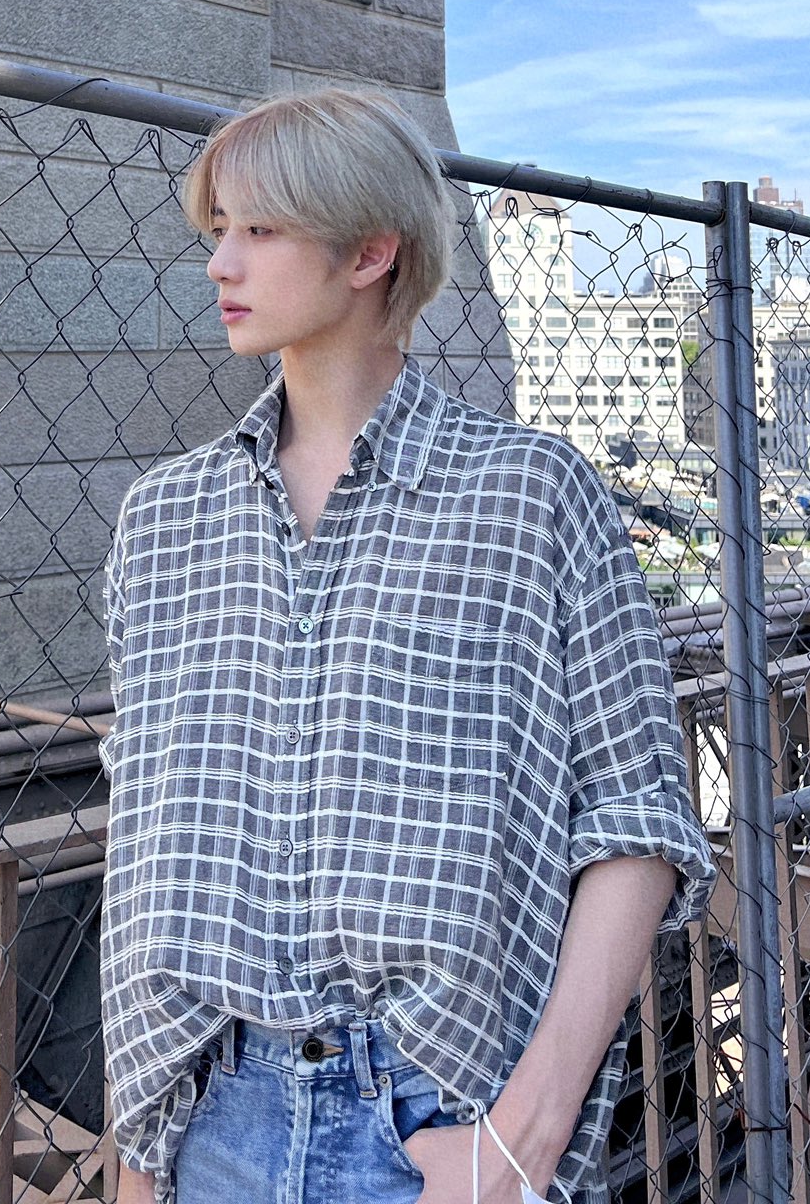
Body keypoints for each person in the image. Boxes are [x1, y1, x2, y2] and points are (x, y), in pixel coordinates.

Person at [100, 89, 715, 1204]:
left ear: (370, 251)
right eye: (220, 229)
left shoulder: (531, 496)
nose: (220, 263)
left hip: (441, 1120)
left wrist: (522, 1141)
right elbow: (146, 844)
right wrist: (140, 1157)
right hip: (212, 1118)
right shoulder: (165, 520)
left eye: (260, 229)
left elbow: (637, 815)